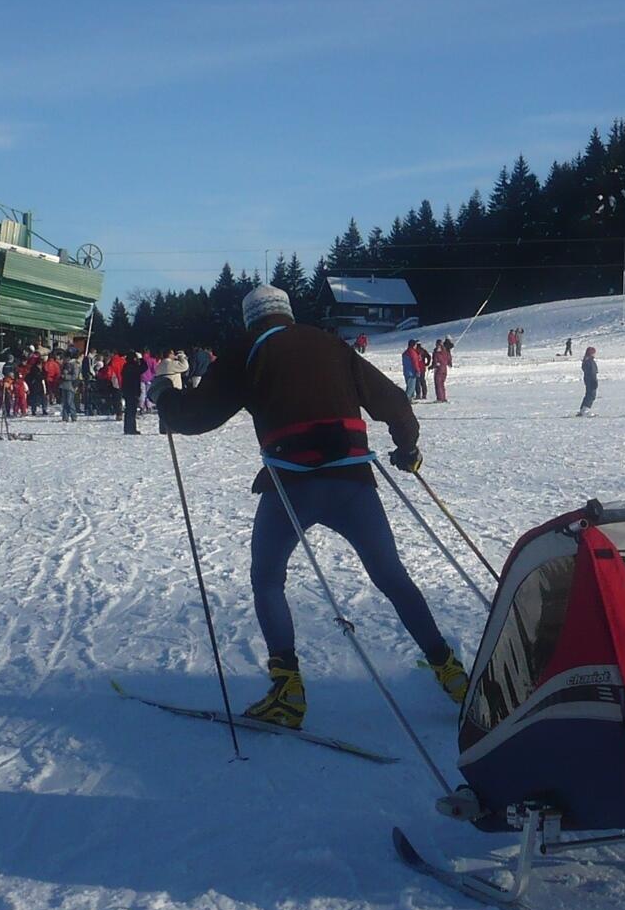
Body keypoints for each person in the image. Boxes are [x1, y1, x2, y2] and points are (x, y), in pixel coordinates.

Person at [153, 285, 470, 728]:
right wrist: (407, 448)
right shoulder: (331, 344)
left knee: (267, 579)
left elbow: (196, 417)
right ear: (288, 312)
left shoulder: (247, 349)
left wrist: (164, 395)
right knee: (391, 576)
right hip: (352, 483)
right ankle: (450, 672)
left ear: (250, 319)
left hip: (291, 486)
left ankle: (287, 691)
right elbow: (396, 403)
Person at [121, 350, 144, 434]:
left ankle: (127, 428)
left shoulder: (125, 366)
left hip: (127, 391)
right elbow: (144, 368)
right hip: (133, 391)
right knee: (132, 411)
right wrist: (141, 359)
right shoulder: (134, 366)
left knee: (128, 410)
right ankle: (131, 428)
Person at [578, 345, 599, 415]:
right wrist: (594, 381)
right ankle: (585, 410)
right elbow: (592, 371)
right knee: (591, 395)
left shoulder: (586, 360)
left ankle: (582, 410)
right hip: (591, 379)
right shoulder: (590, 361)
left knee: (588, 394)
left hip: (588, 379)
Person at [432, 338, 452, 402]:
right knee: (442, 384)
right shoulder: (446, 351)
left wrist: (432, 366)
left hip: (439, 369)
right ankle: (443, 397)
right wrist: (449, 363)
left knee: (438, 384)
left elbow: (435, 362)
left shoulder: (436, 352)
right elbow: (449, 358)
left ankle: (440, 398)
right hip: (444, 369)